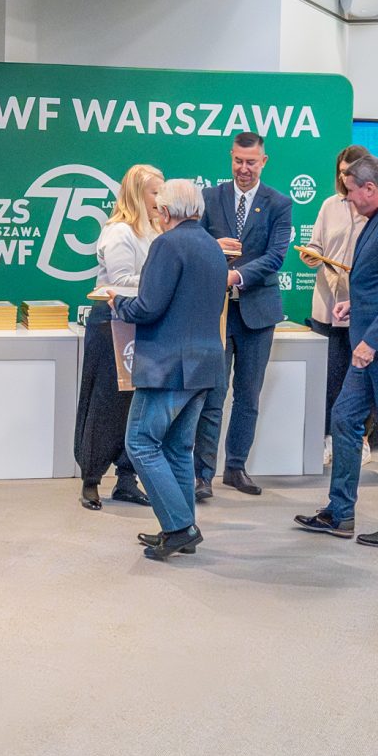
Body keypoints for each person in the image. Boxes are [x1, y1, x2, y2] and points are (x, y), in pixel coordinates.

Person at [293, 153, 378, 548]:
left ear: (370, 188)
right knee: (344, 418)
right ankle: (340, 512)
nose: (348, 199)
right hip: (372, 345)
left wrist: (371, 341)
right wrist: (357, 305)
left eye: (351, 192)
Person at [115, 179, 229, 561]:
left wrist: (118, 304)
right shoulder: (212, 247)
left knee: (140, 442)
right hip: (206, 362)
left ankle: (180, 527)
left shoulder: (166, 245)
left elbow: (148, 307)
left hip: (168, 364)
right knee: (178, 448)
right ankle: (180, 528)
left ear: (165, 211)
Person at [193, 130, 297, 498]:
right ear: (231, 157)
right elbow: (193, 244)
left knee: (248, 396)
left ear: (263, 162)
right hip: (217, 313)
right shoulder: (210, 197)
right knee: (213, 394)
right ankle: (202, 475)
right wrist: (213, 247)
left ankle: (236, 467)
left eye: (251, 162)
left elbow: (276, 256)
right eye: (238, 160)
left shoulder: (279, 203)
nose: (244, 168)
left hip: (258, 313)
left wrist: (236, 275)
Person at [76, 163, 160, 511]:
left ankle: (127, 479)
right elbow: (120, 280)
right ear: (138, 194)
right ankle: (91, 479)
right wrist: (162, 282)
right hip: (111, 323)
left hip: (142, 323)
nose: (161, 199)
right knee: (106, 403)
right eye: (155, 192)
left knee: (136, 405)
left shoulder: (155, 230)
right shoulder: (119, 231)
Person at [299, 148, 367, 432]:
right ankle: (327, 437)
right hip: (327, 305)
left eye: (350, 173)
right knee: (328, 379)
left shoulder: (373, 209)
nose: (344, 178)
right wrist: (311, 254)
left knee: (360, 380)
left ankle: (361, 438)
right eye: (341, 173)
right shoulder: (330, 205)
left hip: (360, 307)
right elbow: (315, 244)